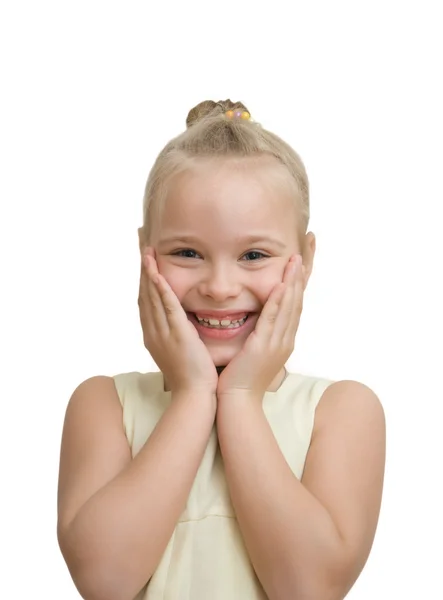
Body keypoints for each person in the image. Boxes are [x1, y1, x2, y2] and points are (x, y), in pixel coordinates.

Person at [57, 99, 386, 600]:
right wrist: (191, 395)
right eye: (187, 253)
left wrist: (241, 396)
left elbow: (309, 588)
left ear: (306, 258)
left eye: (254, 255)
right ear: (145, 252)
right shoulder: (104, 405)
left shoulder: (342, 412)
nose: (219, 285)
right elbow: (104, 582)